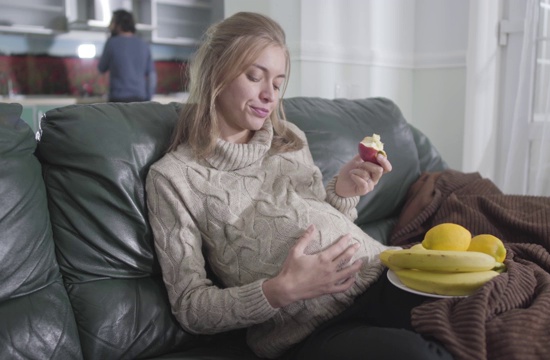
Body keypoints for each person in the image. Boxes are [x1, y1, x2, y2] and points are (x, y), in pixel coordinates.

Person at [145, 12, 452, 360]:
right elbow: (190, 306)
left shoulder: (289, 140)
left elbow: (317, 222)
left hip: (383, 272)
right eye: (254, 76)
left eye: (277, 83)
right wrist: (279, 291)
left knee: (491, 300)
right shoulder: (173, 178)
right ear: (217, 73)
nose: (268, 95)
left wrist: (344, 193)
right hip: (312, 330)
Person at [98, 9, 156, 103]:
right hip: (140, 98)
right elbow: (152, 75)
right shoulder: (144, 44)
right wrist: (148, 97)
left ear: (118, 24)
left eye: (112, 22)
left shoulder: (111, 43)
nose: (110, 26)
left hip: (118, 99)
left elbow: (101, 68)